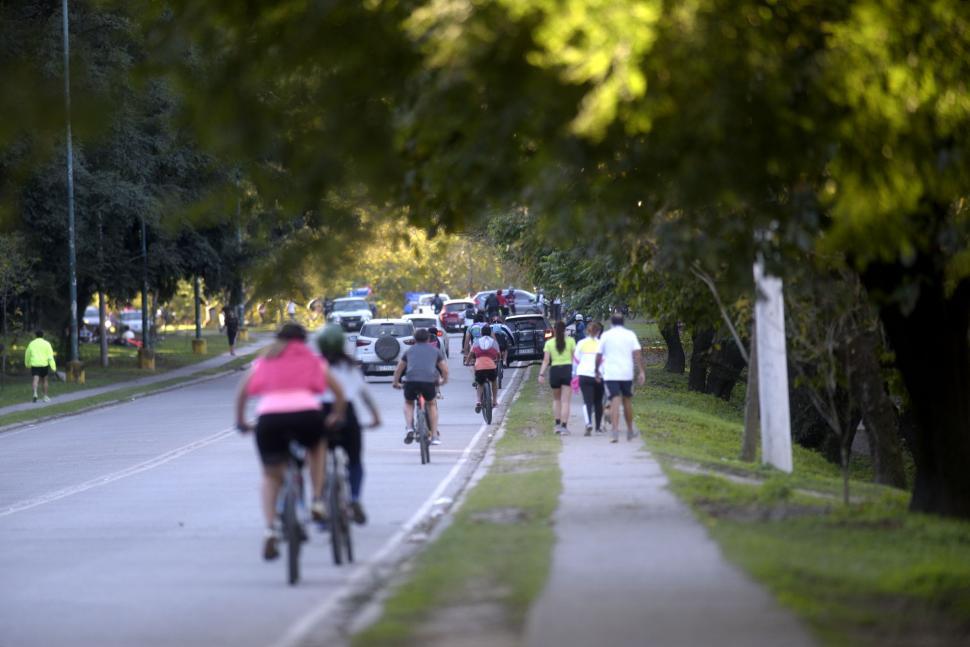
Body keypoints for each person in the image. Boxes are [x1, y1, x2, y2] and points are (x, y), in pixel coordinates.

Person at [234, 323, 347, 560]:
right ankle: (316, 500)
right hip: (307, 415)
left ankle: (270, 528)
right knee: (317, 447)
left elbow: (243, 392)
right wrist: (336, 415)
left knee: (270, 475)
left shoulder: (264, 360)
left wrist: (242, 421)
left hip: (269, 419)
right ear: (304, 340)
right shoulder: (313, 359)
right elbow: (339, 393)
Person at [316, 324, 380, 525]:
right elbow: (364, 394)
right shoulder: (350, 366)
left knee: (317, 463)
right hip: (347, 414)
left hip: (321, 415)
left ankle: (320, 506)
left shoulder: (314, 366)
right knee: (354, 461)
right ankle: (354, 498)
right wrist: (375, 416)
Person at [393, 328, 449, 445]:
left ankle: (409, 428)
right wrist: (444, 380)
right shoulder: (435, 351)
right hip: (429, 382)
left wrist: (396, 382)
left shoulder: (409, 351)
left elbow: (399, 369)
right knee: (431, 404)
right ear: (428, 339)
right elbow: (444, 369)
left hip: (411, 381)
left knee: (409, 402)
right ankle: (434, 435)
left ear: (414, 339)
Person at [596, 311, 646, 443]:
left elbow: (599, 355)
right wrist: (641, 371)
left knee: (614, 401)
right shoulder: (630, 335)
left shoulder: (606, 335)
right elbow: (638, 354)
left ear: (611, 323)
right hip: (626, 373)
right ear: (623, 323)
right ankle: (629, 430)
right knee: (627, 402)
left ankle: (615, 433)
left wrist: (596, 370)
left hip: (611, 374)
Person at [538, 320, 577, 434]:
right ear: (565, 330)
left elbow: (546, 361)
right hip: (567, 370)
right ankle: (564, 426)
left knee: (556, 400)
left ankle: (557, 424)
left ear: (554, 330)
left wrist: (541, 374)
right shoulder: (571, 341)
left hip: (555, 371)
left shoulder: (549, 343)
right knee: (565, 401)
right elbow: (574, 359)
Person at [574, 321, 604, 435]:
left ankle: (588, 423)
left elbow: (576, 360)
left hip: (584, 374)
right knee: (598, 401)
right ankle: (598, 427)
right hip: (598, 375)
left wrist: (574, 374)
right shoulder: (601, 344)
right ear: (598, 332)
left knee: (587, 401)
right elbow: (604, 361)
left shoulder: (581, 343)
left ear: (587, 331)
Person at [467, 324, 499, 413]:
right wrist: (498, 359)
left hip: (479, 366)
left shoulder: (476, 342)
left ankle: (478, 401)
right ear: (490, 333)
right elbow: (498, 353)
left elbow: (470, 354)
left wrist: (467, 362)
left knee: (480, 383)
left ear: (481, 333)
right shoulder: (494, 342)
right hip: (491, 366)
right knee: (494, 381)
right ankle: (494, 401)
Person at [24, 329, 56, 403]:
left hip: (35, 364)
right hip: (44, 364)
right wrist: (53, 367)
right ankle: (45, 396)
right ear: (43, 335)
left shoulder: (31, 343)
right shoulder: (47, 344)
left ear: (36, 335)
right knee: (45, 380)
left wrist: (27, 364)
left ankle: (35, 393)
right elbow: (50, 356)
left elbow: (27, 354)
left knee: (35, 379)